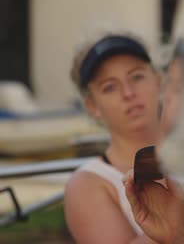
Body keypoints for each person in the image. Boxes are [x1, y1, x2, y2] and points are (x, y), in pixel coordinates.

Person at [65, 34, 165, 243]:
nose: (128, 93)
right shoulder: (88, 183)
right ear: (92, 106)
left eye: (136, 76)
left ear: (158, 81)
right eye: (109, 87)